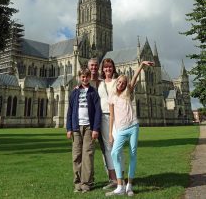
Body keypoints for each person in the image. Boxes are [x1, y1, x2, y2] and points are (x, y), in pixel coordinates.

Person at [106, 60, 154, 197]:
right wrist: (110, 133)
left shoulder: (128, 92)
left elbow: (134, 78)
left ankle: (129, 186)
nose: (121, 84)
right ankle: (120, 185)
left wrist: (141, 65)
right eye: (119, 82)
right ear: (117, 83)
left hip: (133, 126)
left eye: (123, 83)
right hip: (120, 129)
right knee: (114, 153)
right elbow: (111, 116)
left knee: (133, 155)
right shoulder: (112, 97)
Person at [66, 67, 102, 193]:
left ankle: (86, 183)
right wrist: (69, 128)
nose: (84, 78)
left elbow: (98, 111)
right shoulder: (74, 92)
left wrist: (96, 128)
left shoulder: (93, 92)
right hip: (76, 127)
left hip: (89, 127)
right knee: (76, 156)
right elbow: (70, 111)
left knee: (87, 155)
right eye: (82, 76)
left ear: (89, 77)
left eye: (86, 76)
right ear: (79, 77)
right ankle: (77, 183)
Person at [98, 58, 124, 190]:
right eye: (105, 67)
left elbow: (128, 89)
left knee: (117, 147)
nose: (107, 69)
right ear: (102, 69)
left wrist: (141, 66)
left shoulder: (116, 82)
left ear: (113, 68)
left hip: (116, 118)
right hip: (103, 117)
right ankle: (114, 179)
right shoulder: (100, 83)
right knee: (108, 148)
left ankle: (121, 179)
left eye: (110, 67)